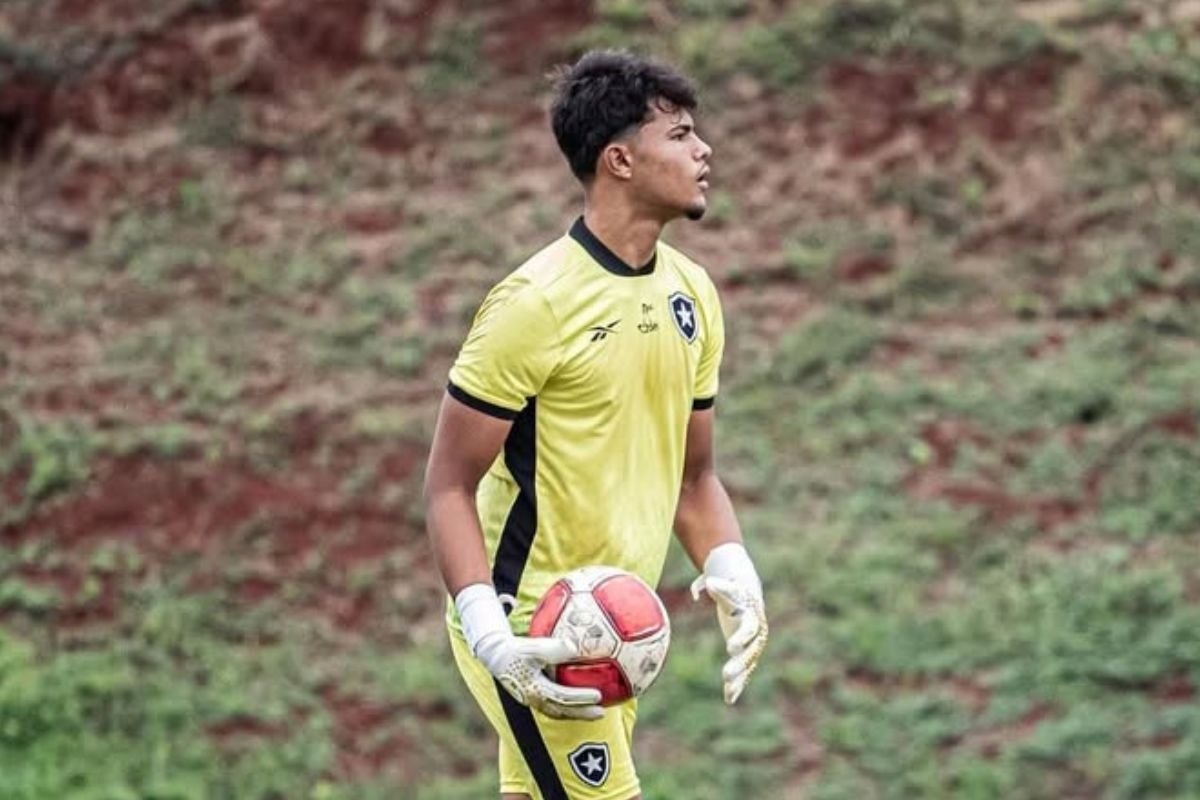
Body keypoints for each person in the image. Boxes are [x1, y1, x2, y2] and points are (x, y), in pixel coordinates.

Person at [423, 49, 768, 800]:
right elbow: (448, 485)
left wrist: (732, 566)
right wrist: (491, 634)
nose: (704, 150)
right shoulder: (533, 304)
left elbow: (693, 474)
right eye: (678, 135)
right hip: (535, 625)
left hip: (615, 627)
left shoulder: (693, 297)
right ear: (619, 159)